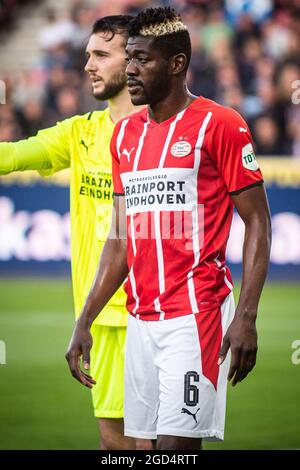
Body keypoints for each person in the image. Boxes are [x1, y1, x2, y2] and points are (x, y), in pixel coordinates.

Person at [66, 7, 271, 451]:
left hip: (195, 317)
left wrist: (247, 317)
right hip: (141, 320)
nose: (131, 69)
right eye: (129, 58)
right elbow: (120, 239)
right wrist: (84, 320)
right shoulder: (124, 137)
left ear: (176, 63)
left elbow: (257, 220)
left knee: (175, 451)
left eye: (142, 59)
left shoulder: (221, 124)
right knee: (140, 450)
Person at [0, 15, 151, 451]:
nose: (89, 64)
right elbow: (12, 155)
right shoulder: (79, 133)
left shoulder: (168, 133)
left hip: (157, 312)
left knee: (160, 446)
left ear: (135, 60)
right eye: (87, 55)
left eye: (102, 55)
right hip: (100, 316)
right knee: (114, 444)